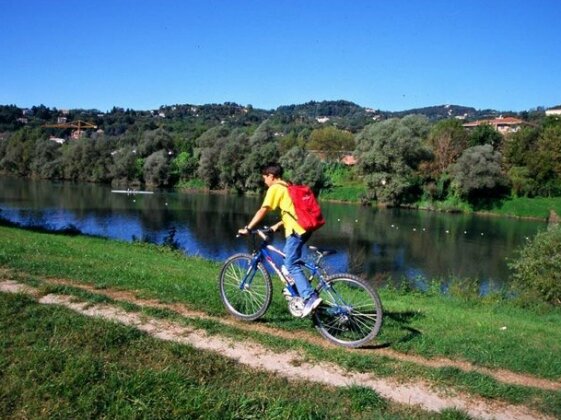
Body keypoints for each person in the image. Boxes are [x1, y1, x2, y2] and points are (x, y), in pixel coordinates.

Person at [238, 163, 322, 317]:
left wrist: (248, 228)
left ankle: (309, 297)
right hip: (305, 228)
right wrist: (278, 224)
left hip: (296, 231)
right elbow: (292, 211)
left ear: (271, 175)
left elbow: (264, 209)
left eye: (264, 177)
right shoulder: (288, 186)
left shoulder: (275, 188)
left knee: (290, 264)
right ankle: (295, 291)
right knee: (288, 258)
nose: (264, 181)